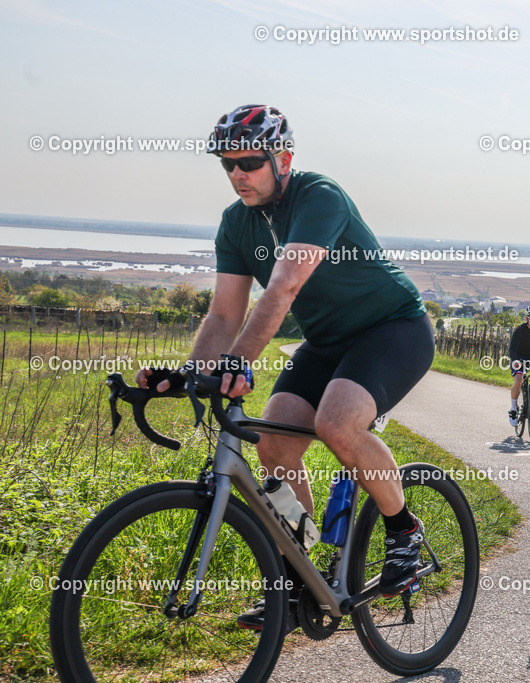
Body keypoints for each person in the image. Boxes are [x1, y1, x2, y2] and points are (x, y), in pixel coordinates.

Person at [136, 105, 434, 629]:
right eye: (226, 164)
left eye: (249, 162)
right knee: (273, 442)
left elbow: (284, 287)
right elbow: (225, 313)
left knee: (337, 422)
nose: (236, 175)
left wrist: (239, 364)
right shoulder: (236, 223)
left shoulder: (319, 195)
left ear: (284, 158)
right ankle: (303, 580)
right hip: (326, 342)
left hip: (393, 328)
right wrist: (186, 373)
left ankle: (404, 529)